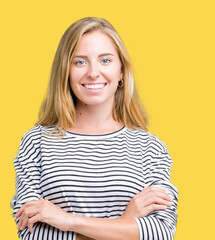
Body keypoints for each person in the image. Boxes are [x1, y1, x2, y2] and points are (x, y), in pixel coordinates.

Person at [10, 17, 178, 240]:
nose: (93, 72)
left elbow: (161, 233)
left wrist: (68, 221)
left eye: (105, 60)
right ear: (65, 72)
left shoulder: (150, 147)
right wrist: (126, 224)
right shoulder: (37, 142)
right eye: (80, 62)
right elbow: (32, 234)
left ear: (121, 72)